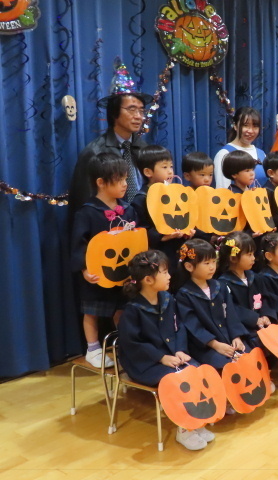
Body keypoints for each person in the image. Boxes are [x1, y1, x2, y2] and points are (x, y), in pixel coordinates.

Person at [117, 250, 214, 451]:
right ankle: (185, 429)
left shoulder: (168, 299)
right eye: (164, 272)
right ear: (148, 280)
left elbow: (178, 327)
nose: (170, 276)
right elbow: (132, 344)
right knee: (178, 381)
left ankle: (197, 421)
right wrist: (161, 357)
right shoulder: (133, 310)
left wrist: (179, 349)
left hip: (171, 355)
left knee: (196, 371)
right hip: (145, 363)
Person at [70, 153, 138, 367]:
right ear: (100, 182)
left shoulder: (127, 209)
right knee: (92, 311)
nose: (124, 184)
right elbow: (78, 244)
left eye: (126, 179)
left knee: (121, 308)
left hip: (123, 273)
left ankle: (124, 343)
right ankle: (93, 348)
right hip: (97, 273)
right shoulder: (87, 212)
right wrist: (83, 270)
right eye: (119, 180)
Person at [69, 60, 153, 214]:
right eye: (132, 110)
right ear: (114, 112)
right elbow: (83, 203)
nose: (139, 117)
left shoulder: (144, 149)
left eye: (141, 111)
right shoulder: (95, 152)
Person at [174, 239, 251, 370]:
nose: (212, 267)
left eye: (214, 262)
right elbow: (193, 326)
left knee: (249, 358)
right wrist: (215, 345)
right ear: (189, 266)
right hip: (205, 346)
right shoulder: (184, 294)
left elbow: (231, 314)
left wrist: (236, 336)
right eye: (206, 263)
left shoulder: (219, 286)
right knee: (226, 366)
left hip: (228, 339)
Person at [131, 145, 191, 284]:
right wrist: (163, 237)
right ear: (148, 172)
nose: (170, 171)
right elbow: (141, 231)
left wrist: (187, 231)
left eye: (171, 166)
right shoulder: (142, 198)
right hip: (158, 256)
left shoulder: (176, 194)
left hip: (178, 254)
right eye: (164, 167)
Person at [216, 232, 277, 347]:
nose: (253, 258)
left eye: (253, 254)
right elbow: (231, 309)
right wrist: (254, 319)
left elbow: (267, 298)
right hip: (243, 329)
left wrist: (266, 315)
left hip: (262, 324)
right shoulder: (223, 283)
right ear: (233, 258)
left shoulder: (255, 277)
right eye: (249, 254)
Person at [214, 107, 267, 189]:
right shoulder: (225, 154)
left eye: (255, 126)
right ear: (235, 126)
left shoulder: (262, 154)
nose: (250, 131)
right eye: (245, 125)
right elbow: (222, 191)